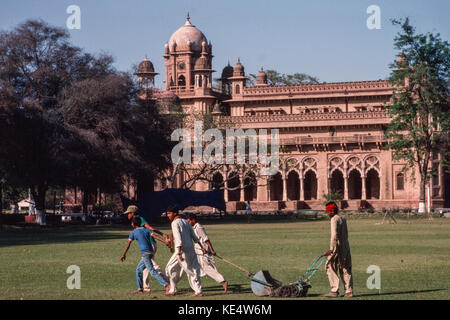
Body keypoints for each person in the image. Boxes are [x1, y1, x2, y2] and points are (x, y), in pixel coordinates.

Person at [120, 216, 171, 295]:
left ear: (133, 224)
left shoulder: (133, 232)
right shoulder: (146, 230)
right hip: (151, 252)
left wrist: (123, 255)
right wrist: (165, 242)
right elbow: (155, 237)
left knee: (152, 271)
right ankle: (140, 289)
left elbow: (128, 245)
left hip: (145, 254)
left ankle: (167, 285)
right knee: (139, 270)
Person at [165, 205, 206, 296]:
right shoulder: (185, 221)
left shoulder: (175, 223)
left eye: (169, 213)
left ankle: (175, 289)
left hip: (181, 250)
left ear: (175, 213)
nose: (168, 215)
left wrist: (179, 252)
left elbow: (178, 238)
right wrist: (202, 247)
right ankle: (174, 289)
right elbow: (194, 236)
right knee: (191, 268)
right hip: (190, 248)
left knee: (177, 269)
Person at [186, 213, 228, 293]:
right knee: (195, 268)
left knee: (206, 268)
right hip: (197, 251)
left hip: (203, 252)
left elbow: (206, 239)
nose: (188, 223)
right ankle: (195, 287)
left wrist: (212, 250)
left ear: (193, 220)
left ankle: (223, 281)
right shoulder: (193, 228)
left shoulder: (199, 227)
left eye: (189, 221)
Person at [323, 201, 353, 298]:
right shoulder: (343, 218)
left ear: (332, 211)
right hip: (346, 245)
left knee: (329, 265)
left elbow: (334, 235)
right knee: (345, 268)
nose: (327, 213)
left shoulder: (334, 219)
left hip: (337, 245)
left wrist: (331, 249)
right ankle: (349, 291)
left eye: (328, 212)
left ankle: (334, 290)